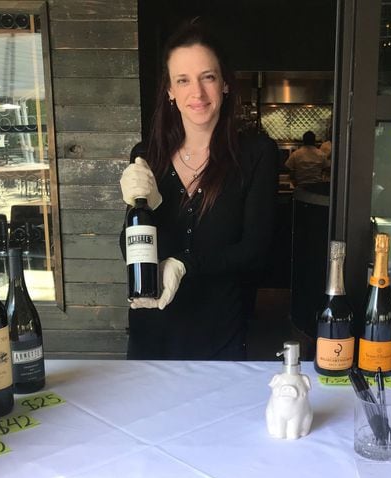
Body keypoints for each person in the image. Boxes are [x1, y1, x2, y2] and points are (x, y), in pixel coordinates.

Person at [119, 21, 278, 360]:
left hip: (220, 331)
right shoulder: (146, 155)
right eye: (183, 80)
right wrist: (147, 206)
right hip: (153, 327)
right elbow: (129, 247)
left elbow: (256, 250)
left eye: (207, 77)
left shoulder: (256, 154)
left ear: (224, 84)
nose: (197, 93)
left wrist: (184, 264)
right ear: (170, 91)